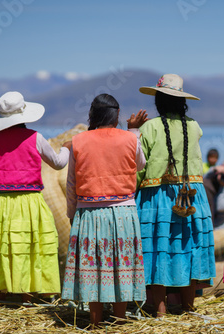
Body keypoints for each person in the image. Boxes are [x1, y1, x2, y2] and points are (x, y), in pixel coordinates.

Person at [0, 91, 70, 302]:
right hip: (28, 203)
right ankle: (27, 296)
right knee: (29, 247)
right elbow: (58, 163)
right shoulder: (35, 137)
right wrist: (67, 148)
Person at [61, 94, 148, 326]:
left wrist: (72, 214)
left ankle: (96, 321)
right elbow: (141, 165)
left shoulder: (78, 141)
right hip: (123, 213)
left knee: (94, 267)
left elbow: (71, 184)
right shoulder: (130, 138)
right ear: (117, 115)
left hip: (89, 213)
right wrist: (134, 132)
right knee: (121, 265)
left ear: (93, 115)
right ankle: (119, 320)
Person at [135, 74, 216, 316]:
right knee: (188, 248)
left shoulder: (148, 128)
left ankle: (160, 312)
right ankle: (188, 308)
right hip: (191, 196)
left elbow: (139, 168)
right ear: (182, 102)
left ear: (158, 101)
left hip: (156, 199)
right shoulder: (194, 126)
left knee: (158, 250)